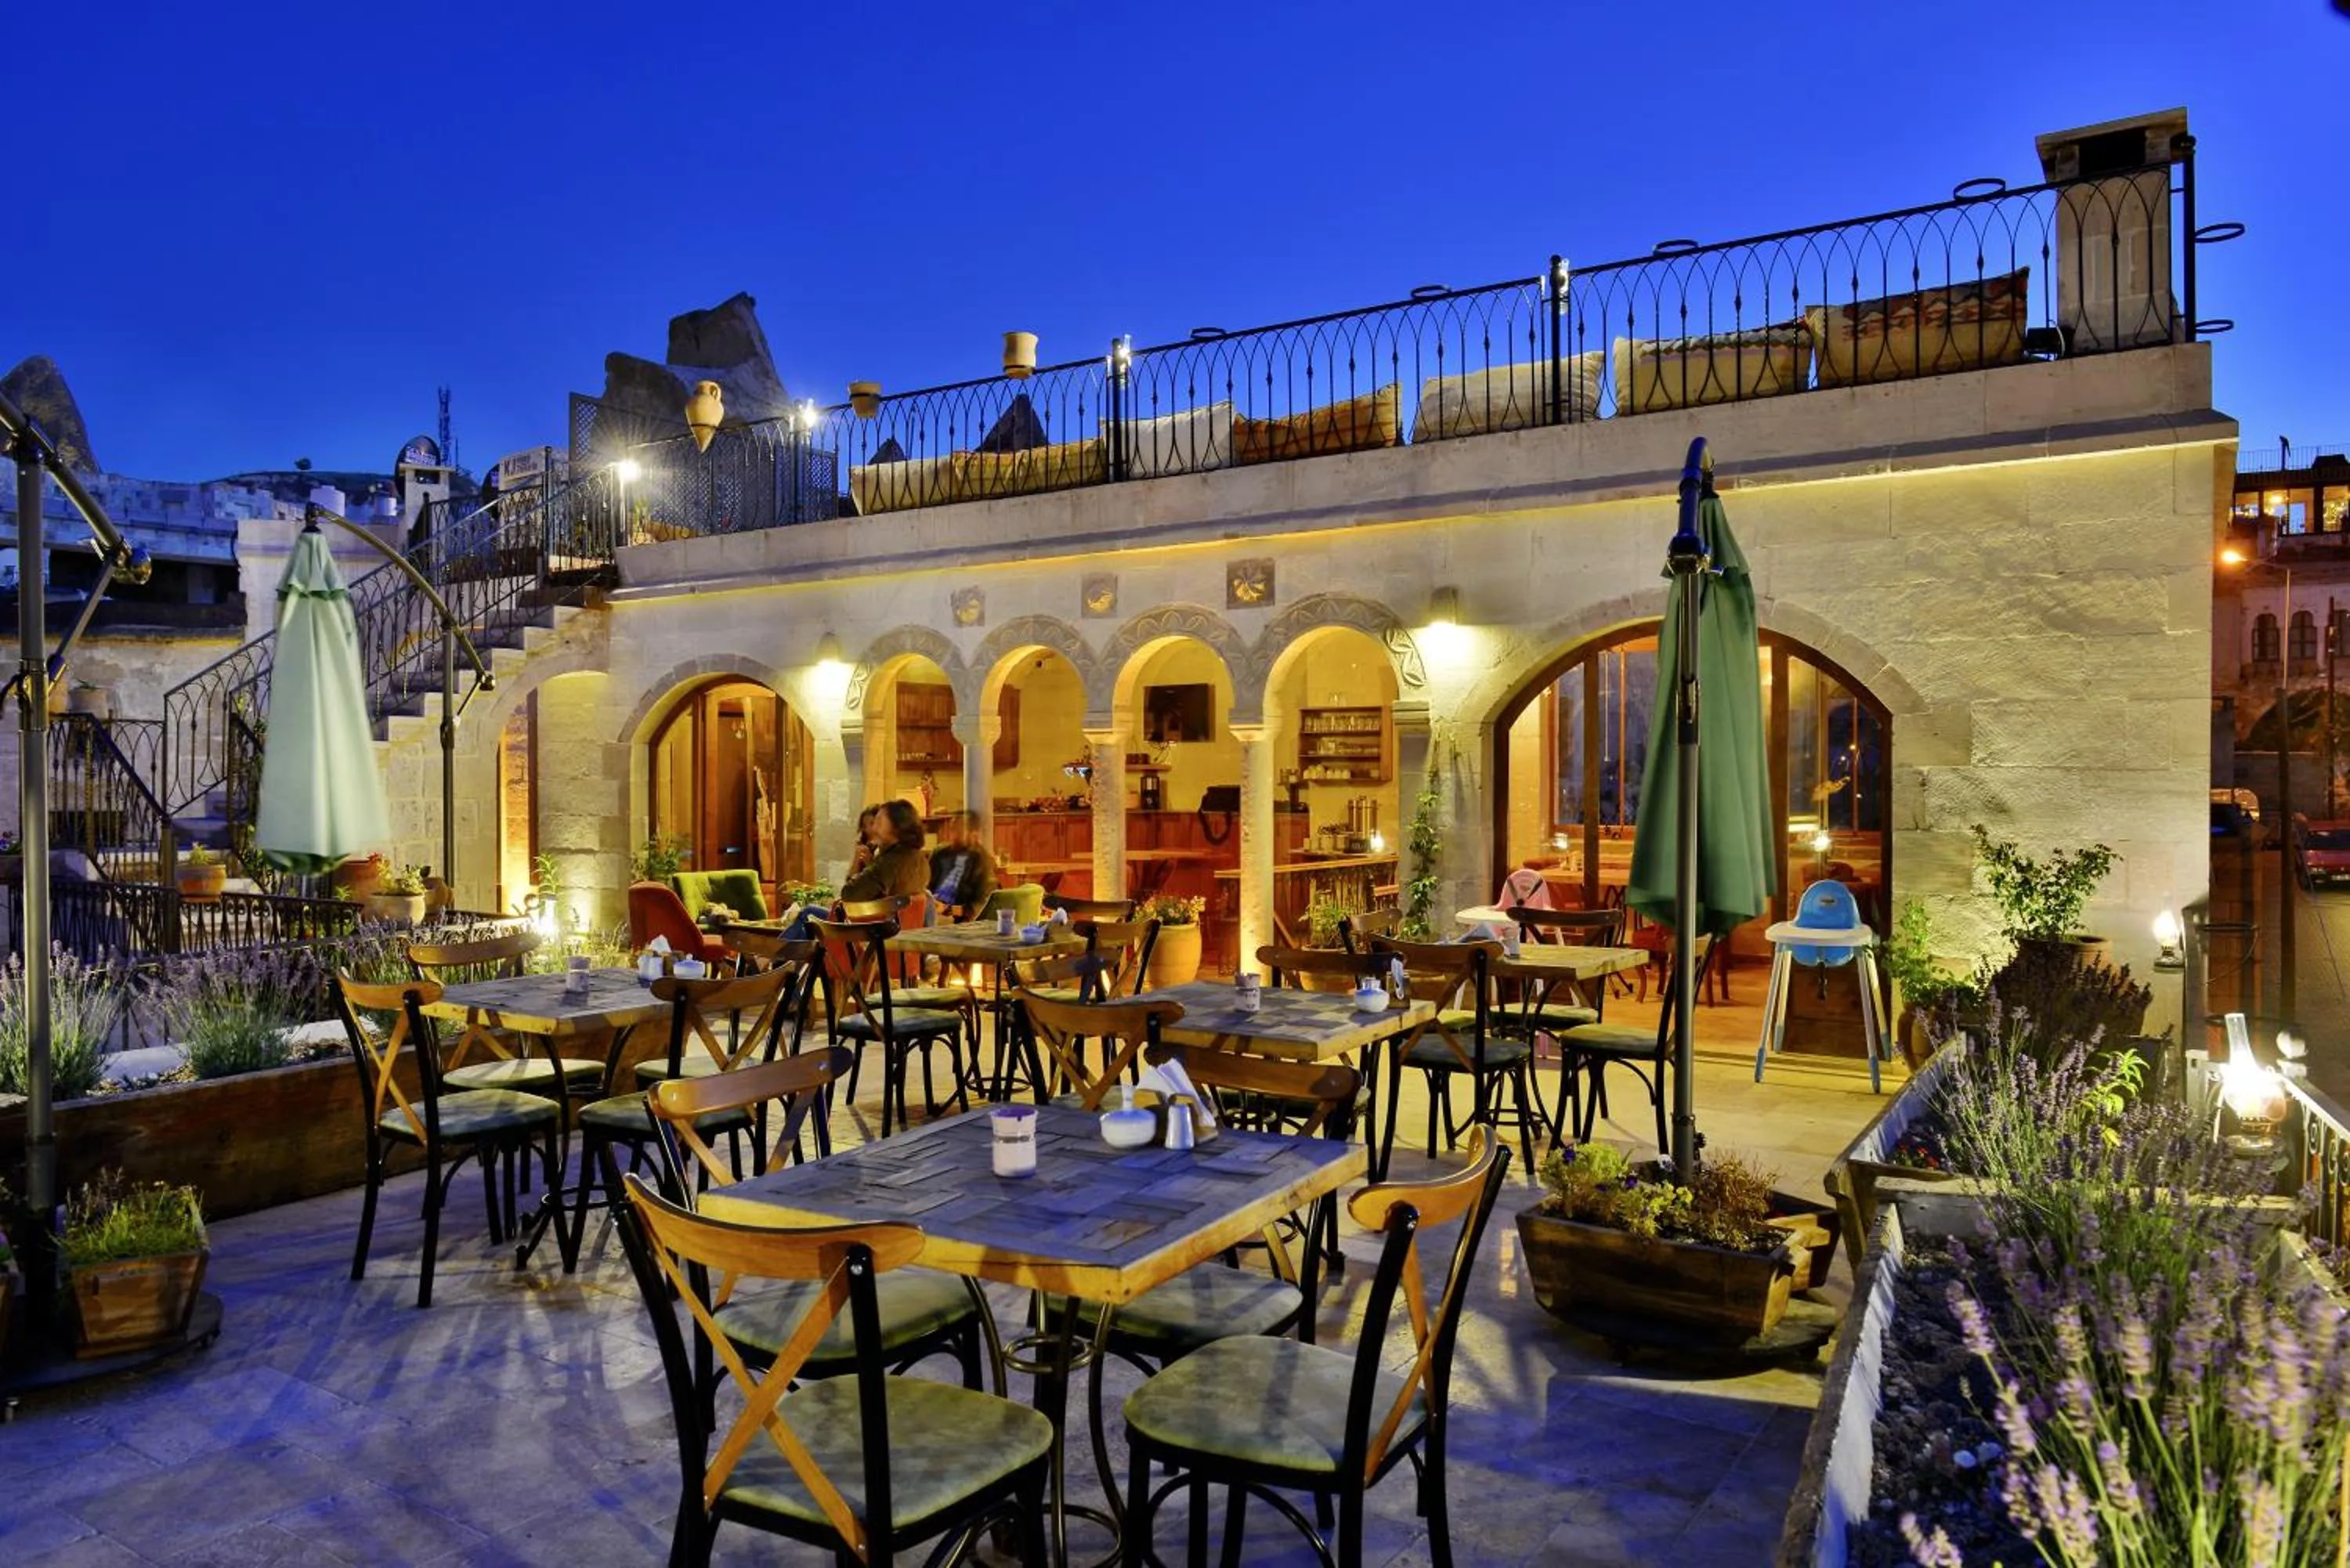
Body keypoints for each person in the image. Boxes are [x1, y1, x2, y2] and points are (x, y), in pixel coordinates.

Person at [840, 800, 928, 904]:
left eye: (879, 822)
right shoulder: (919, 858)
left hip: (879, 914)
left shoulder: (889, 863)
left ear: (897, 826)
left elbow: (849, 893)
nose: (873, 829)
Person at [927, 810, 998, 921]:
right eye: (952, 829)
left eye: (959, 831)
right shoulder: (940, 853)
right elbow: (926, 885)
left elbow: (979, 906)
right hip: (931, 910)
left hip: (957, 919)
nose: (953, 835)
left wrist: (947, 909)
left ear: (974, 834)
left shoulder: (982, 861)